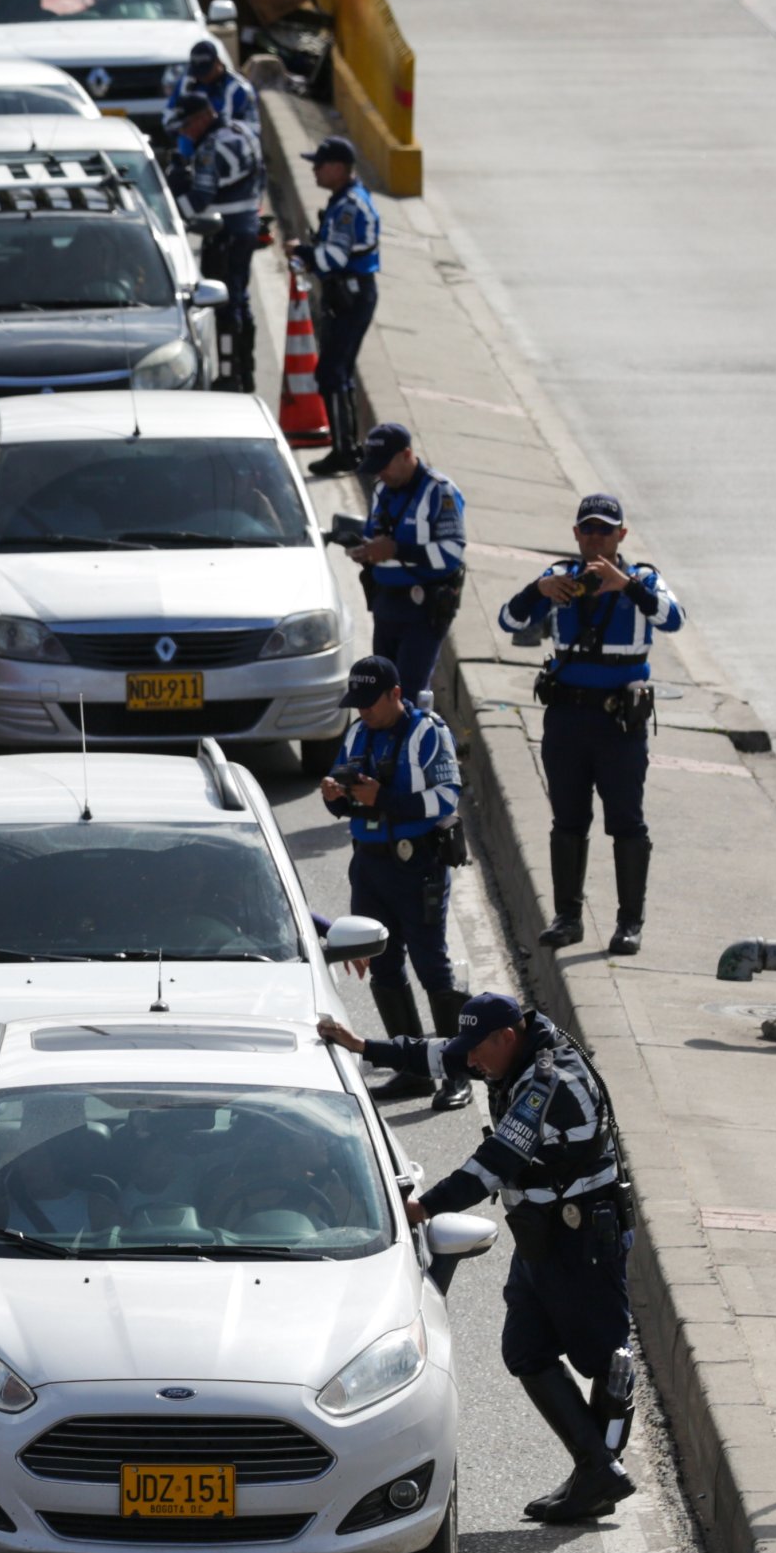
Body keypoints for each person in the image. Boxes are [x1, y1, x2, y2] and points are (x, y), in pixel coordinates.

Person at [321, 990, 637, 1524]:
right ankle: (598, 1471)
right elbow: (441, 1054)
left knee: (606, 1360)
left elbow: (494, 1163)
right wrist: (364, 1047)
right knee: (526, 1348)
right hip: (543, 1234)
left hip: (582, 1239)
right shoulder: (505, 1050)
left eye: (478, 1050)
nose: (470, 1062)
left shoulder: (546, 1084)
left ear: (506, 1037)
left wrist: (422, 1207)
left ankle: (599, 1473)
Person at [497, 494, 685, 955]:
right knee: (568, 819)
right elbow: (509, 620)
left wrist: (626, 586)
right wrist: (538, 590)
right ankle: (568, 918)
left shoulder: (643, 579)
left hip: (619, 724)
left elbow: (674, 619)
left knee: (626, 821)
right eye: (589, 529)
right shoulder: (560, 577)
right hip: (567, 719)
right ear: (576, 534)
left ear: (621, 535)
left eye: (606, 530)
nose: (597, 538)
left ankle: (629, 922)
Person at [317, 654, 470, 1109]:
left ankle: (455, 1071)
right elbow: (347, 803)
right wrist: (335, 797)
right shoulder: (357, 733)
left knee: (431, 966)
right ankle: (413, 1070)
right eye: (357, 702)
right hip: (369, 866)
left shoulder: (428, 733)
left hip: (416, 863)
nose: (363, 710)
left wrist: (384, 798)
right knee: (382, 964)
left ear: (396, 694)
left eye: (370, 701)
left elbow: (447, 797)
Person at [341, 423, 464, 704]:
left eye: (385, 465)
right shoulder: (382, 489)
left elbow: (452, 553)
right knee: (379, 692)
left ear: (407, 455)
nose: (380, 473)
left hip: (422, 609)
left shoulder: (439, 491)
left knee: (407, 695)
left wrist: (396, 550)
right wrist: (364, 550)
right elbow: (374, 536)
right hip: (385, 605)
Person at [167, 88, 264, 390]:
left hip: (225, 235)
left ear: (201, 119)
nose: (184, 133)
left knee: (224, 303)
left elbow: (200, 199)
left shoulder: (210, 149)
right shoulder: (242, 130)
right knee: (240, 299)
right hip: (247, 228)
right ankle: (245, 370)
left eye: (186, 126)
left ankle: (229, 374)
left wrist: (171, 211)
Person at [295, 135, 380, 475]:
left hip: (352, 296)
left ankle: (344, 451)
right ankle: (348, 447)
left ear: (338, 168)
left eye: (319, 164)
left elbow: (333, 258)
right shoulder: (345, 199)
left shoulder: (348, 206)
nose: (314, 170)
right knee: (338, 371)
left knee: (332, 372)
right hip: (349, 294)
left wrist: (301, 252)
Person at [164, 35, 257, 151]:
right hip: (192, 148)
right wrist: (185, 128)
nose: (202, 76)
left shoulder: (239, 89)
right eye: (197, 71)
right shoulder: (186, 82)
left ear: (218, 63)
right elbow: (168, 117)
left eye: (206, 71)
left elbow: (253, 129)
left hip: (231, 149)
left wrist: (216, 127)